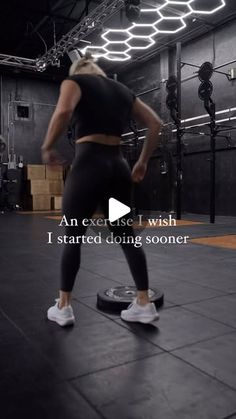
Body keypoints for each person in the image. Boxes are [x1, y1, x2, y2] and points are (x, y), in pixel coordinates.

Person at [41, 53, 162, 327]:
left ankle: (63, 307)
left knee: (73, 236)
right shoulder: (123, 90)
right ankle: (144, 302)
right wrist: (142, 163)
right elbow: (155, 123)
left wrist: (47, 146)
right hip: (118, 170)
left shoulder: (74, 82)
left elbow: (63, 112)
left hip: (88, 168)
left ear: (79, 70)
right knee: (126, 236)